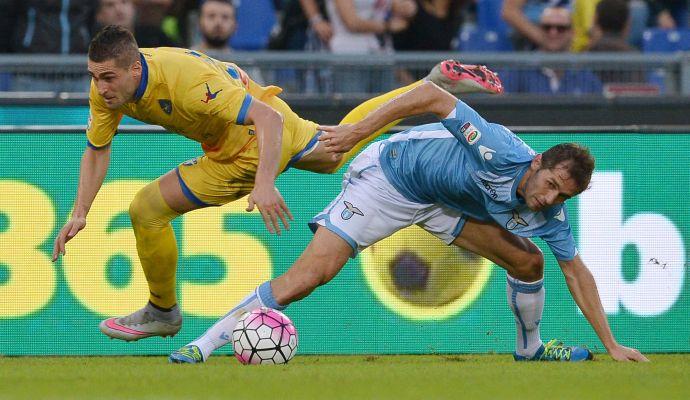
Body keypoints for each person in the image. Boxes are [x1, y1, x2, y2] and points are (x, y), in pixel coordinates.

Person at [50, 25, 503, 342]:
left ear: (135, 69)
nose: (101, 88)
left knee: (146, 209)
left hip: (251, 143)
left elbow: (262, 119)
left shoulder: (187, 84)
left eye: (108, 77)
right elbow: (97, 147)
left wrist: (263, 183)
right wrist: (80, 212)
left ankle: (162, 311)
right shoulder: (108, 87)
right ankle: (430, 87)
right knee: (334, 151)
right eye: (95, 77)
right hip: (265, 123)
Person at [170, 79, 649, 364]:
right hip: (392, 178)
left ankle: (530, 349)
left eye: (561, 196)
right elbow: (429, 94)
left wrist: (611, 345)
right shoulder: (499, 148)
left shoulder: (550, 211)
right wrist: (358, 130)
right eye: (549, 185)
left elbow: (576, 271)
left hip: (445, 205)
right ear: (537, 162)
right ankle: (204, 344)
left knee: (529, 262)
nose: (548, 199)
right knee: (308, 278)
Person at [501, 6, 602, 95]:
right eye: (547, 27)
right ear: (539, 30)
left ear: (572, 33)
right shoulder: (519, 70)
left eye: (561, 28)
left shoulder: (584, 75)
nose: (553, 32)